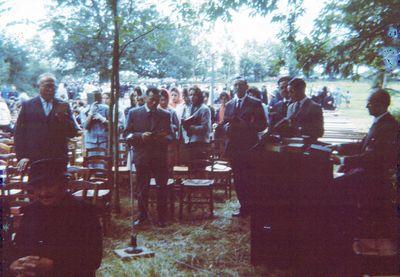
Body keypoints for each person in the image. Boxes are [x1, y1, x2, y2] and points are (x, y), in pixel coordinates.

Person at [8, 158, 102, 276]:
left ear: (64, 185)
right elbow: (19, 245)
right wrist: (14, 263)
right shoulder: (31, 211)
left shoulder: (85, 212)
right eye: (38, 188)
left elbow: (93, 259)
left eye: (49, 186)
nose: (43, 193)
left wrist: (54, 265)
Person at [124, 87, 174, 227]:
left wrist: (163, 138)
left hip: (159, 156)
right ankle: (143, 216)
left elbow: (171, 136)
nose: (154, 103)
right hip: (142, 156)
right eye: (151, 99)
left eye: (157, 100)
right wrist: (140, 136)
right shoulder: (134, 113)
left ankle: (162, 217)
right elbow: (126, 134)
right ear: (145, 98)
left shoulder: (165, 114)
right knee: (142, 188)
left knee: (161, 187)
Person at [331, 89, 398, 189]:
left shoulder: (389, 126)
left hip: (374, 176)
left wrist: (342, 160)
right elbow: (362, 144)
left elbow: (373, 157)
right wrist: (338, 147)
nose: (366, 106)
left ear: (380, 105)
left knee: (332, 186)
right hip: (366, 170)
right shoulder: (380, 122)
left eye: (369, 103)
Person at [14, 73, 79, 173]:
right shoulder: (28, 105)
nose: (51, 89)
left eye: (53, 86)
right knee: (37, 188)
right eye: (48, 86)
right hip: (35, 160)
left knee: (58, 188)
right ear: (39, 86)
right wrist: (23, 156)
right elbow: (19, 133)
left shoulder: (63, 105)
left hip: (58, 160)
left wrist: (63, 119)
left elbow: (73, 132)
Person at [221, 78, 267, 217]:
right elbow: (224, 123)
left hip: (249, 146)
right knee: (238, 179)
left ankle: (252, 206)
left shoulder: (255, 103)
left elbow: (263, 125)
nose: (237, 88)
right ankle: (243, 207)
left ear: (246, 87)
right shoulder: (229, 104)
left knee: (249, 178)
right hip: (234, 146)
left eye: (240, 85)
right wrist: (226, 127)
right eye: (235, 85)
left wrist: (246, 126)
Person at [275, 78, 324, 143]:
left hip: (307, 144)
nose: (289, 95)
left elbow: (319, 131)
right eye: (288, 92)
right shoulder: (291, 106)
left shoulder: (314, 107)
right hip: (291, 144)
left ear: (301, 90)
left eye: (292, 92)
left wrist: (299, 130)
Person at [180, 86, 212, 167]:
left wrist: (191, 128)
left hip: (200, 143)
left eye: (194, 95)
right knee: (190, 167)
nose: (192, 97)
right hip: (189, 141)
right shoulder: (188, 107)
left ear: (199, 96)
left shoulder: (204, 109)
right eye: (190, 95)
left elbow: (206, 128)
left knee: (199, 168)